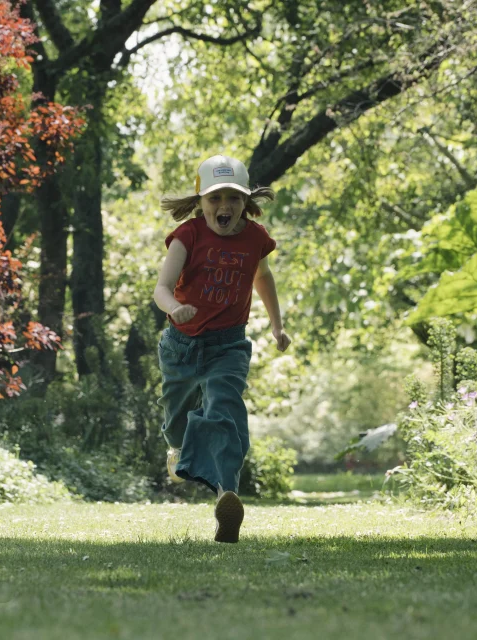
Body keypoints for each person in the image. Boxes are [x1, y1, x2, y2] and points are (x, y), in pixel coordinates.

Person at [153, 154, 291, 543]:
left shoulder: (255, 238)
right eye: (215, 198)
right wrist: (174, 309)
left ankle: (226, 495)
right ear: (200, 201)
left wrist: (278, 326)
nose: (224, 206)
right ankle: (178, 447)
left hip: (228, 344)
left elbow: (262, 278)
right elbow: (161, 287)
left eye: (233, 198)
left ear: (245, 201)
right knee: (177, 421)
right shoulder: (188, 235)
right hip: (181, 344)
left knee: (225, 411)